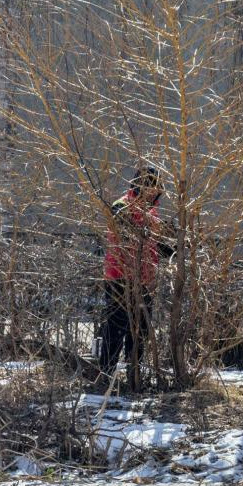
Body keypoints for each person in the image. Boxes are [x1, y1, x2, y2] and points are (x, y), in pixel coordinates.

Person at [95, 166, 165, 393]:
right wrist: (147, 226)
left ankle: (134, 376)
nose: (152, 192)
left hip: (144, 280)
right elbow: (126, 232)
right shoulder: (121, 205)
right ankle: (106, 376)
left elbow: (159, 246)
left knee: (141, 330)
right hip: (120, 277)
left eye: (156, 189)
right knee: (117, 327)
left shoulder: (153, 213)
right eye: (149, 187)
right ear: (139, 186)